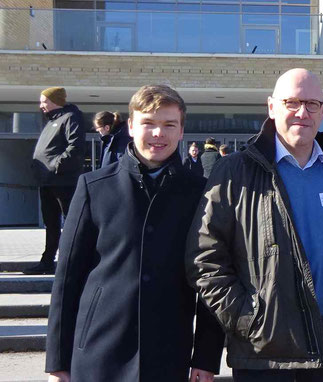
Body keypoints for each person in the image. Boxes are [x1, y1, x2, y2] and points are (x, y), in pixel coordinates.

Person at [185, 68, 323, 382]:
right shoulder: (235, 172)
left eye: (312, 104)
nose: (302, 112)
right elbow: (205, 259)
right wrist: (250, 320)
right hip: (264, 355)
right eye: (292, 102)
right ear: (271, 107)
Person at [45, 85, 224, 382]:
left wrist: (206, 357)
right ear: (130, 126)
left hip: (168, 352)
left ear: (181, 130)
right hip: (97, 351)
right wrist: (57, 362)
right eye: (148, 123)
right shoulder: (94, 187)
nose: (158, 134)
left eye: (169, 125)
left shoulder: (201, 193)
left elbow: (211, 278)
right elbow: (67, 279)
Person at [26, 87, 85, 275]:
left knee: (70, 223)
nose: (41, 105)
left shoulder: (70, 117)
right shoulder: (53, 120)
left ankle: (72, 261)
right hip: (47, 181)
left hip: (62, 181)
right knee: (51, 224)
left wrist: (56, 166)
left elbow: (75, 146)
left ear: (55, 100)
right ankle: (47, 262)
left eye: (44, 101)